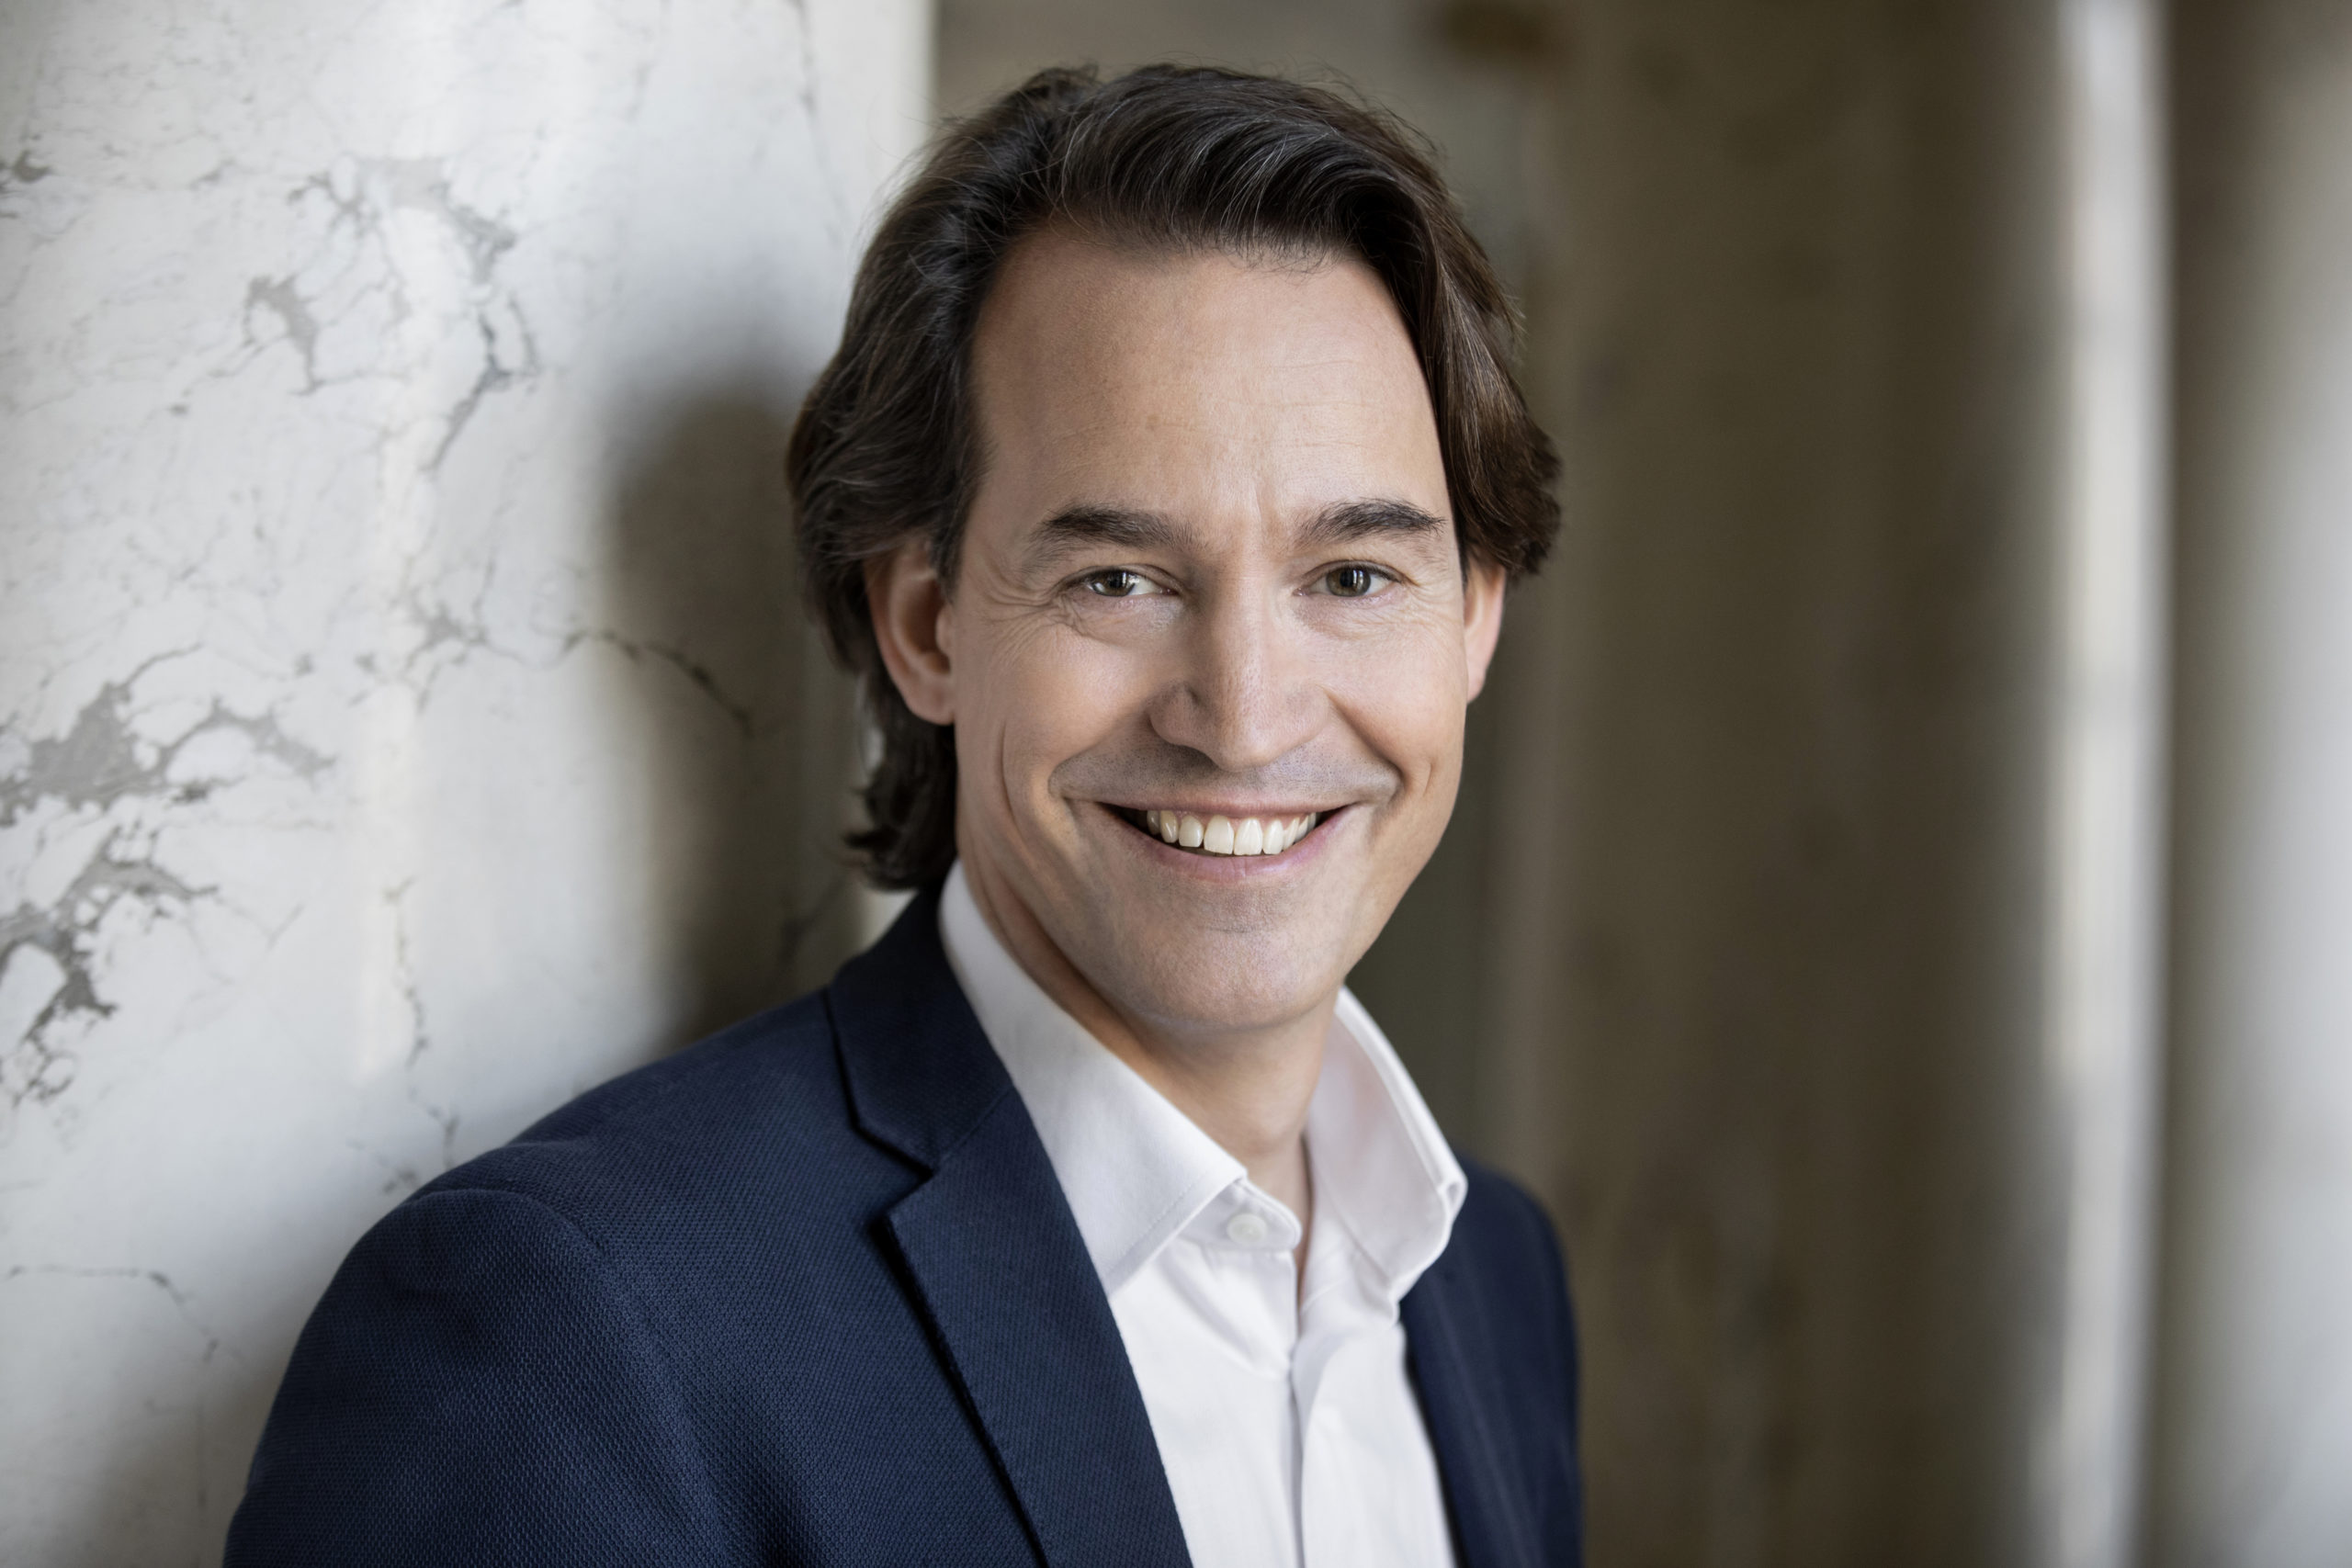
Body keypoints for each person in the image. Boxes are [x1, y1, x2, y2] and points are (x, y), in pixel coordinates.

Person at [225, 63, 1580, 1568]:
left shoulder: (1496, 1280)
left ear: (1475, 616)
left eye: (1354, 577)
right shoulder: (564, 1331)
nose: (1248, 717)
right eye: (1117, 579)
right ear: (926, 626)